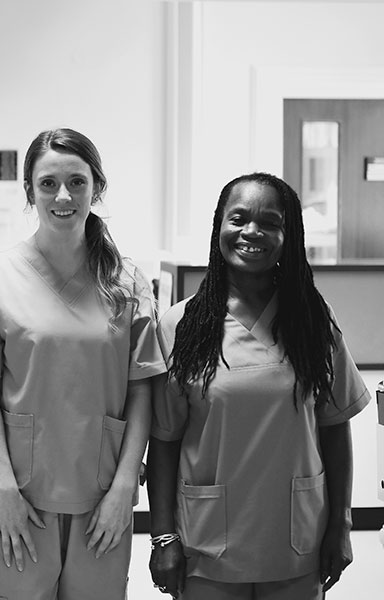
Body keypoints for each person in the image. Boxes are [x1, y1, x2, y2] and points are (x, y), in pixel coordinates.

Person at [0, 128, 167, 599]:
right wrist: (2, 489)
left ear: (96, 188)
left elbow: (142, 389)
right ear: (29, 191)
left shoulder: (125, 281)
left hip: (102, 494)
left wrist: (126, 486)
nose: (62, 195)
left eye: (77, 182)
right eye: (48, 183)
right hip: (20, 497)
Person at [147, 172, 371, 599]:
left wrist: (341, 525)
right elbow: (163, 441)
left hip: (296, 541)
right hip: (207, 545)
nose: (252, 231)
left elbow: (334, 428)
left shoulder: (311, 322)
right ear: (219, 229)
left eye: (270, 222)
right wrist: (163, 538)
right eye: (238, 219)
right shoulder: (181, 325)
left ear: (289, 236)